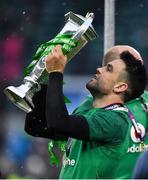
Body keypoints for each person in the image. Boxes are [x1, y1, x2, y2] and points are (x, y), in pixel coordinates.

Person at [25, 45, 147, 179]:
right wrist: (43, 79)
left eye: (108, 69)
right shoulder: (88, 113)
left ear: (120, 86)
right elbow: (36, 126)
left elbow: (58, 123)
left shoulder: (116, 120)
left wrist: (56, 73)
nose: (99, 69)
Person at [75, 45, 148, 178]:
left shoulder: (146, 100)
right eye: (132, 61)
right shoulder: (90, 105)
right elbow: (61, 129)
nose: (138, 67)